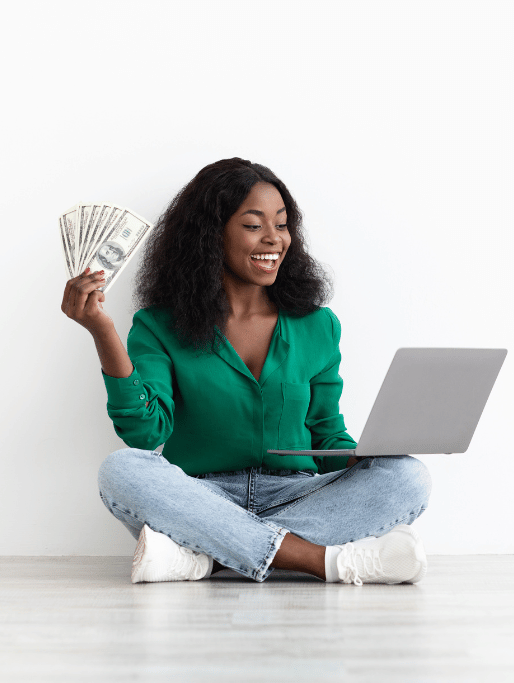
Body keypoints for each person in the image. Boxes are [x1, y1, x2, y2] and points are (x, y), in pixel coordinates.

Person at [61, 157, 432, 585]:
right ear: (211, 234)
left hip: (296, 494)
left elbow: (326, 435)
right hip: (201, 496)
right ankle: (325, 562)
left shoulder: (318, 325)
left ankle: (204, 558)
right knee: (122, 470)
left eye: (282, 223)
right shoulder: (158, 325)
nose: (274, 239)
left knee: (407, 476)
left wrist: (363, 456)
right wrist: (102, 331)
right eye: (254, 225)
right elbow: (145, 434)